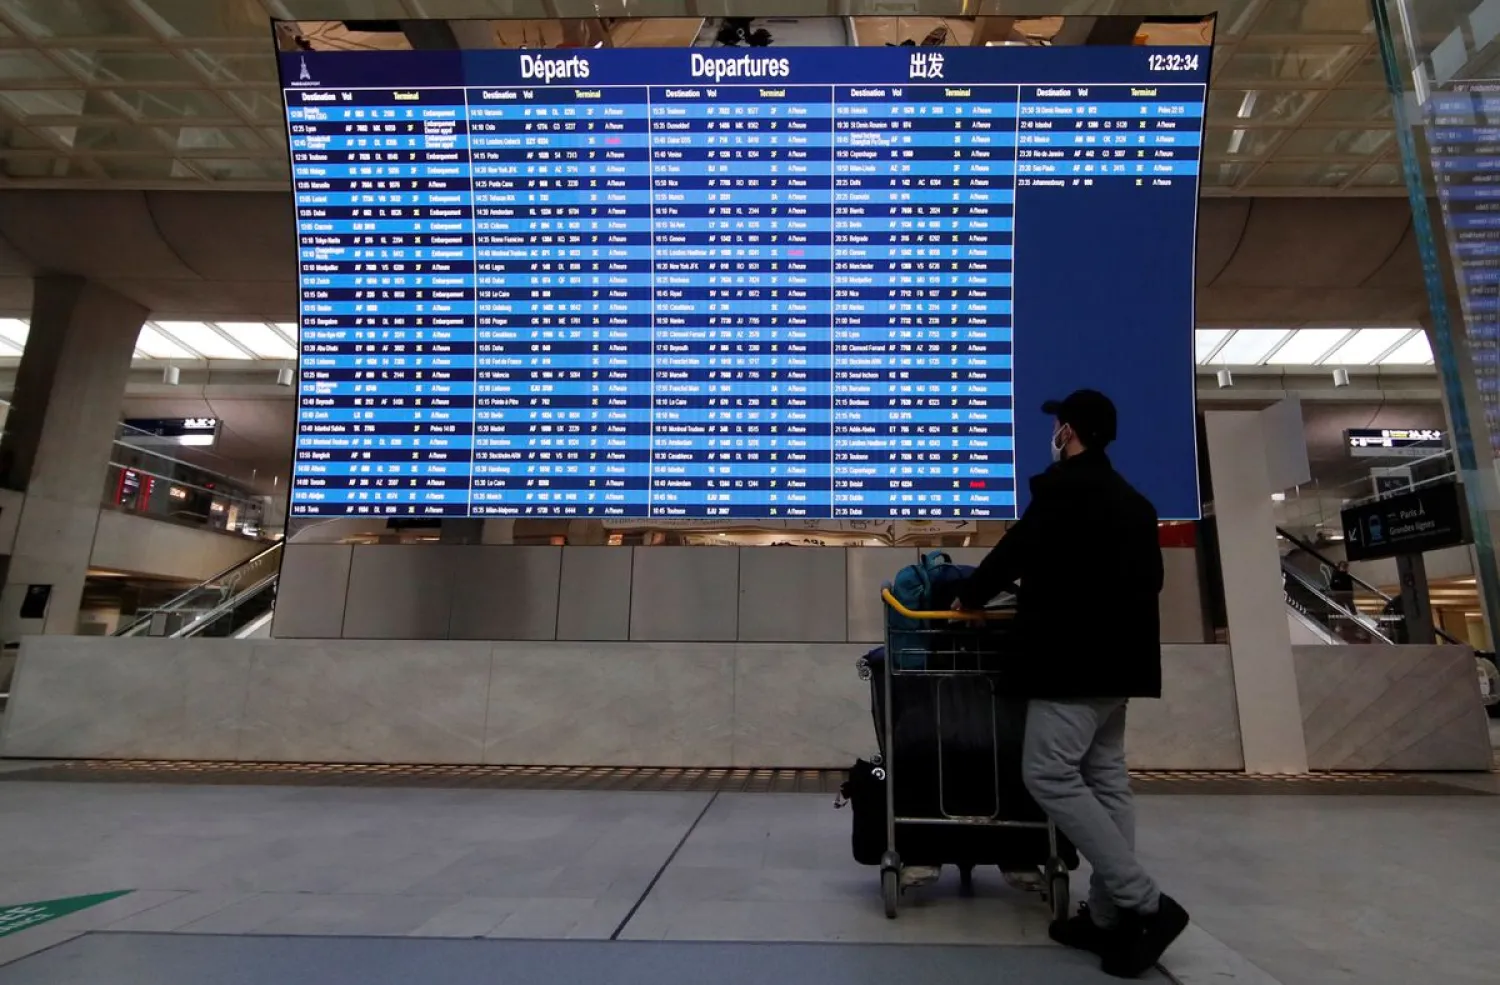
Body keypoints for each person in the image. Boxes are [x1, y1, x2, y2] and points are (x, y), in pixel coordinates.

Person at [952, 389, 1188, 979]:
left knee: (1048, 772)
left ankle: (1147, 905)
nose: (1053, 434)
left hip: (1072, 663)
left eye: (1057, 426)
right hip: (1121, 668)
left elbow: (1014, 551)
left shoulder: (1062, 491)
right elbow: (1152, 581)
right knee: (1106, 781)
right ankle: (1105, 917)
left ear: (1068, 432)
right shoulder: (1134, 502)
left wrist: (969, 597)